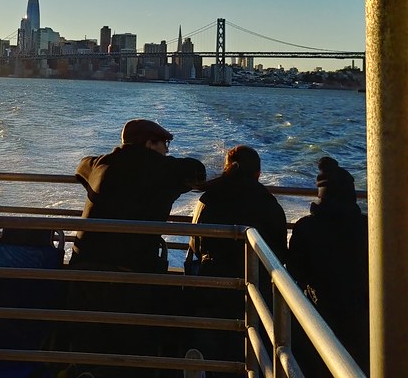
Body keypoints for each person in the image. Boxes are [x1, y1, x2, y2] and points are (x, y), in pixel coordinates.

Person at [67, 119, 206, 374]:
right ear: (149, 143)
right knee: (133, 340)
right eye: (164, 144)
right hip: (132, 273)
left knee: (88, 338)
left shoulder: (100, 164)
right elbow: (197, 171)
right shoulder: (166, 169)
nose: (167, 150)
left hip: (84, 269)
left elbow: (81, 166)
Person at [186, 145, 287, 360]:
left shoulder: (209, 198)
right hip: (257, 288)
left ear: (227, 168)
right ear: (258, 173)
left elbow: (196, 244)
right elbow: (279, 253)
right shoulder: (270, 203)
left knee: (214, 345)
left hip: (214, 285)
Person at [287, 156, 370, 377]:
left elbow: (294, 271)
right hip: (364, 314)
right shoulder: (369, 227)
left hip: (320, 312)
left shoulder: (306, 227)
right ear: (351, 194)